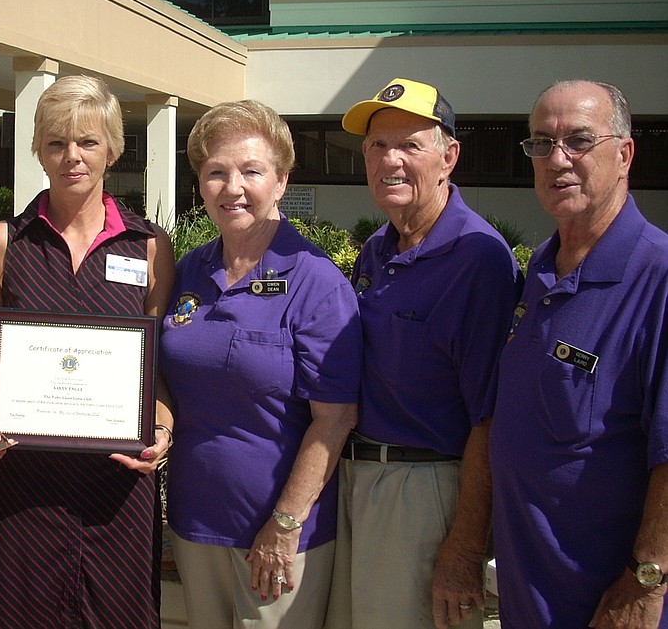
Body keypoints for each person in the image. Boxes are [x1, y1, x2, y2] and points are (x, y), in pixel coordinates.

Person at [0, 74, 176, 629]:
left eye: (88, 142)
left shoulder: (148, 247)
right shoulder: (4, 242)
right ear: (38, 150)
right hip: (26, 484)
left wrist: (164, 432)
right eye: (56, 143)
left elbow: (155, 371)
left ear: (113, 150)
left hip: (119, 491)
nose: (71, 156)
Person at [326, 78, 522, 629]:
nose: (390, 159)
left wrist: (464, 547)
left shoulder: (479, 259)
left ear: (448, 157)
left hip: (424, 491)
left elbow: (489, 417)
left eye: (410, 145)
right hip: (356, 482)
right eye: (377, 145)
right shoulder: (377, 247)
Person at [158, 100, 362, 629]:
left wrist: (285, 523)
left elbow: (334, 418)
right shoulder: (188, 272)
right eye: (216, 173)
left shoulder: (316, 281)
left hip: (277, 535)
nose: (233, 187)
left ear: (281, 181)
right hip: (194, 521)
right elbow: (164, 374)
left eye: (251, 171)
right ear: (200, 184)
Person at [490, 80, 668, 629]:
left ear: (625, 154)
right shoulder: (539, 269)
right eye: (541, 143)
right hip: (529, 597)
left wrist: (646, 580)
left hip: (608, 606)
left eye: (579, 141)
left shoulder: (657, 276)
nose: (557, 159)